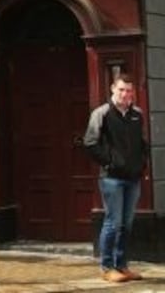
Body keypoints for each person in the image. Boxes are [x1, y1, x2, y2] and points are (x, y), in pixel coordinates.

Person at [83, 73, 148, 283]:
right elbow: (90, 143)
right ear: (113, 89)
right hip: (111, 178)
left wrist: (141, 165)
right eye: (121, 89)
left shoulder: (137, 114)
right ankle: (107, 266)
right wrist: (110, 162)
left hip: (133, 178)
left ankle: (122, 265)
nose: (125, 94)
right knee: (113, 222)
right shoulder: (101, 113)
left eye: (129, 90)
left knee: (126, 224)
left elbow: (143, 144)